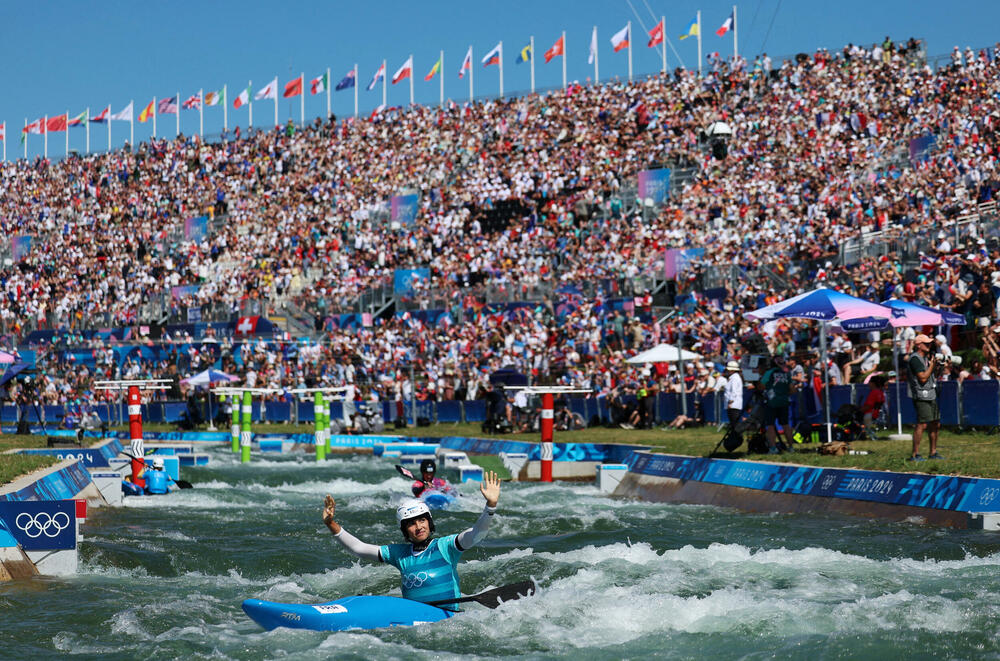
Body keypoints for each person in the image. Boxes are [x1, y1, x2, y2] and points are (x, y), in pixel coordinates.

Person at [322, 471, 501, 609]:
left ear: (430, 523)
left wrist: (490, 506)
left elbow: (477, 533)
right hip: (413, 619)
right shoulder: (399, 554)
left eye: (422, 520)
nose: (419, 527)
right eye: (412, 524)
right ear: (405, 530)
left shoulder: (446, 547)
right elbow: (358, 548)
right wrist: (331, 524)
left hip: (448, 619)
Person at [907, 334, 942, 461]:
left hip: (931, 393)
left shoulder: (926, 358)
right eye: (926, 343)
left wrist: (937, 367)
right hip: (921, 395)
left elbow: (932, 375)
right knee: (922, 424)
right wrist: (932, 365)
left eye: (929, 343)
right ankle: (915, 454)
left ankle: (933, 452)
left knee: (935, 423)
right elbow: (922, 377)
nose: (929, 345)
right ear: (918, 345)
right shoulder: (915, 359)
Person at [758, 355, 795, 454]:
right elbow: (792, 388)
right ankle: (791, 447)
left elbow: (761, 386)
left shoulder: (769, 372)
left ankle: (773, 448)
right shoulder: (786, 373)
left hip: (771, 402)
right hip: (784, 401)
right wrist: (783, 394)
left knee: (770, 425)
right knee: (786, 425)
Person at [859, 374, 888, 440]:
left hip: (869, 415)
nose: (868, 384)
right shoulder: (881, 393)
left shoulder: (873, 393)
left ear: (873, 383)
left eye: (869, 382)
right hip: (876, 414)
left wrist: (859, 411)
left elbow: (869, 405)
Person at [723, 360, 743, 428]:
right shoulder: (733, 378)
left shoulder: (734, 378)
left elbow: (734, 391)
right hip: (732, 403)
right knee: (733, 422)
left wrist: (730, 402)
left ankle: (737, 436)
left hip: (733, 404)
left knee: (734, 422)